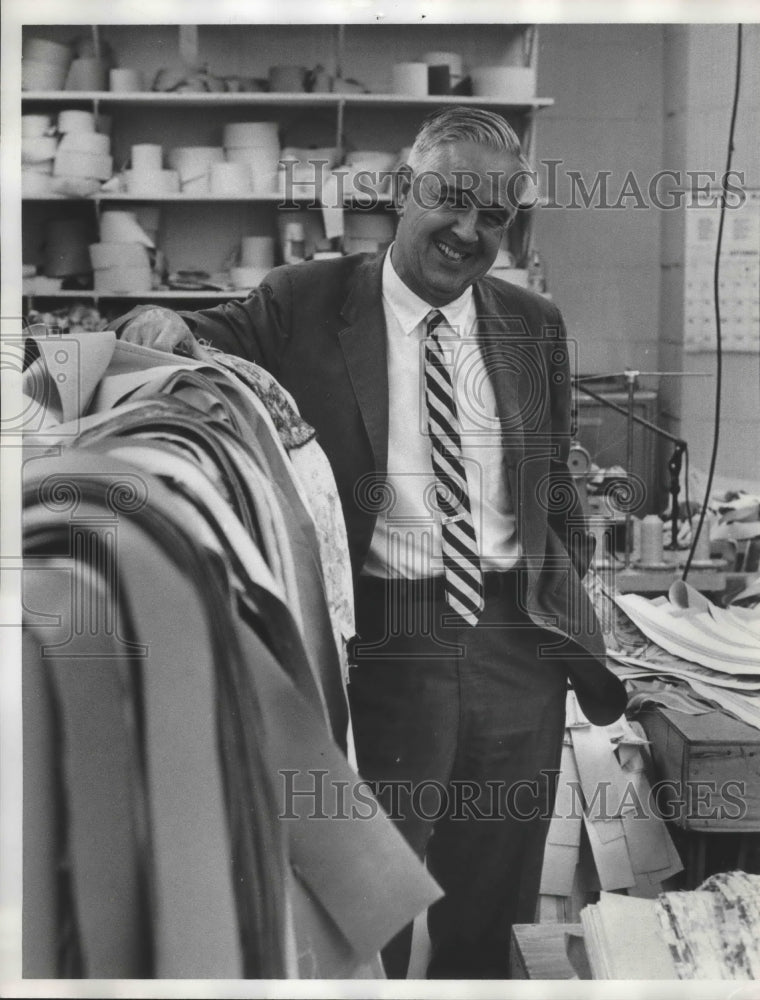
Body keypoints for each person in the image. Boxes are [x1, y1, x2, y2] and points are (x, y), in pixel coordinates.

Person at [112, 106, 627, 979]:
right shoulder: (303, 301)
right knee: (361, 908)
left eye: (493, 216)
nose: (467, 231)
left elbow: (552, 488)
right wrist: (157, 323)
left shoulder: (531, 323)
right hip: (383, 643)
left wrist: (566, 604)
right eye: (450, 200)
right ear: (401, 191)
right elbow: (193, 343)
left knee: (491, 904)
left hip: (515, 646)